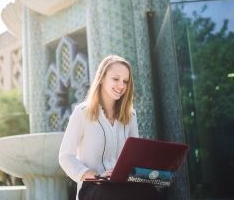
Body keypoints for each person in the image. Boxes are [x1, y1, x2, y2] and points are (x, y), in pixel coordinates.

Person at [59, 55, 163, 200]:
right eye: (115, 79)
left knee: (150, 190)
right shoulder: (81, 113)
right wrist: (94, 176)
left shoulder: (131, 115)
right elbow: (65, 157)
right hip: (93, 188)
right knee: (111, 194)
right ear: (101, 78)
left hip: (122, 184)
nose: (121, 85)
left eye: (125, 81)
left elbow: (135, 158)